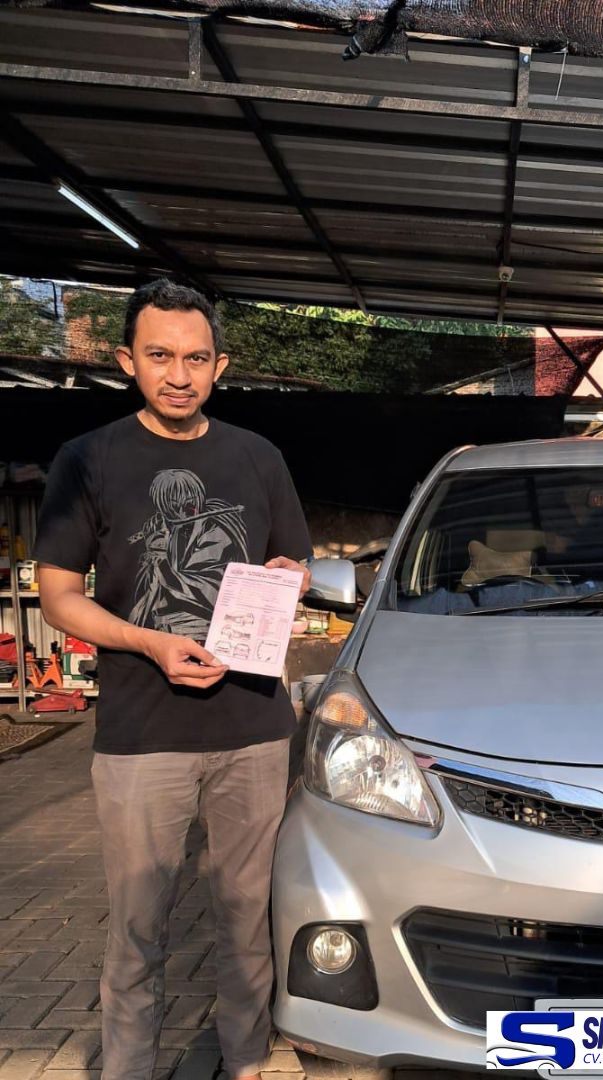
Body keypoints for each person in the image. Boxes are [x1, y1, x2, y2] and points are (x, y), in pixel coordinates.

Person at [34, 279, 313, 1080]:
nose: (179, 375)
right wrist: (150, 643)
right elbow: (58, 596)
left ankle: (246, 1061)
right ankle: (129, 1068)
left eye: (196, 359)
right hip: (141, 736)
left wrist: (289, 581)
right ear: (128, 360)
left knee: (245, 919)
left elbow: (291, 564)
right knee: (138, 928)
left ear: (219, 365)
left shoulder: (258, 457)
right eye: (160, 356)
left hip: (253, 728)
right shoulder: (88, 458)